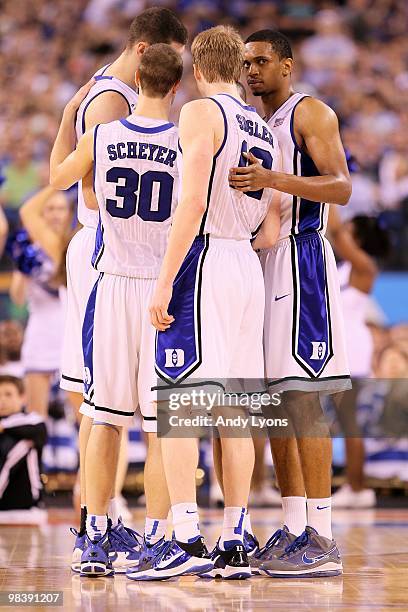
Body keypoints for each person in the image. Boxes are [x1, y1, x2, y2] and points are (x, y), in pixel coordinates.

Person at [143, 25, 280, 581]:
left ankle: (181, 536)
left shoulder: (202, 114)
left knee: (180, 403)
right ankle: (236, 538)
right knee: (237, 410)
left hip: (202, 260)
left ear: (198, 71)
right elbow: (269, 230)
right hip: (246, 265)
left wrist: (163, 280)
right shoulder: (263, 128)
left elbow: (194, 197)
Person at [54, 7, 187, 573]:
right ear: (175, 85)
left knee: (103, 412)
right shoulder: (187, 142)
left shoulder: (104, 130)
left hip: (110, 280)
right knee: (161, 424)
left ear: (138, 74)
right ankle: (157, 534)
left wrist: (66, 114)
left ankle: (96, 531)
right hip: (159, 285)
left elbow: (61, 178)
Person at [229, 29, 351, 577]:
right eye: (245, 63)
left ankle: (322, 534)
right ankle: (295, 524)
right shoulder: (255, 121)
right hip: (264, 262)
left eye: (261, 61)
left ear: (287, 65)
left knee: (304, 397)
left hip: (302, 259)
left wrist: (275, 177)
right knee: (276, 400)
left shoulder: (311, 113)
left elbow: (342, 186)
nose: (251, 70)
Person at [329, 210, 390, 508]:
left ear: (360, 238)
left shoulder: (365, 266)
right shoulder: (343, 269)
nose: (345, 232)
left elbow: (337, 235)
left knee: (349, 423)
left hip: (353, 352)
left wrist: (328, 199)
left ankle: (357, 488)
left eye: (351, 229)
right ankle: (354, 487)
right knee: (340, 423)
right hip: (338, 350)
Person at [9, 188, 72, 418]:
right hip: (41, 332)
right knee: (37, 417)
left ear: (68, 213)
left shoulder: (71, 241)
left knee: (82, 414)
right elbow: (17, 297)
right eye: (50, 209)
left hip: (69, 331)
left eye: (60, 209)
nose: (56, 214)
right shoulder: (29, 247)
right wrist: (24, 269)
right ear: (42, 214)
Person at [0, 375, 47, 524]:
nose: (2, 400)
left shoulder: (33, 422)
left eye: (8, 394)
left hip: (24, 506)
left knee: (22, 445)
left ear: (22, 398)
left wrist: (3, 427)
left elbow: (39, 428)